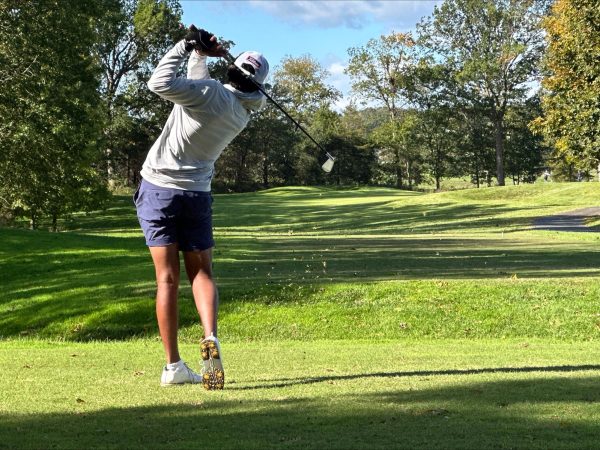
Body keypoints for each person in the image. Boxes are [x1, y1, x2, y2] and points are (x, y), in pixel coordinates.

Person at [133, 25, 269, 389]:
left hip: (159, 191)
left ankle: (173, 366)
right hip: (197, 196)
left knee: (166, 279)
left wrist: (184, 45)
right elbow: (204, 83)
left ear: (231, 71)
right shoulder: (241, 112)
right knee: (202, 274)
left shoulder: (208, 93)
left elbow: (158, 84)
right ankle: (210, 334)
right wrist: (201, 55)